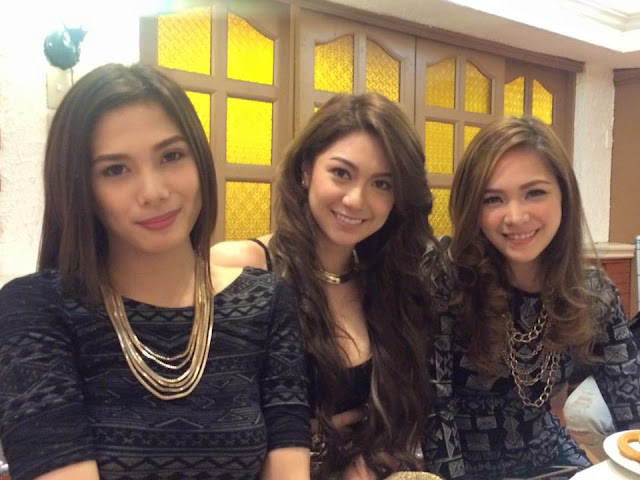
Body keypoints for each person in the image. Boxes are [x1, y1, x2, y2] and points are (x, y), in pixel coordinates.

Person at [0, 63, 310, 480]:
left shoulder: (267, 302)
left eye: (171, 156)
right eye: (115, 170)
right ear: (81, 188)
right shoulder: (37, 308)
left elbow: (289, 470)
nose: (154, 191)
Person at [212, 93, 462, 479]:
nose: (356, 199)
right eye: (341, 173)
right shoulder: (240, 267)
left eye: (382, 184)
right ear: (306, 170)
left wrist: (372, 457)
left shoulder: (386, 285)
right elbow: (211, 425)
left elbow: (397, 423)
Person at [430, 115, 640, 479]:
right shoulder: (447, 284)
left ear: (564, 196)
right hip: (463, 469)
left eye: (535, 193)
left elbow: (632, 408)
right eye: (493, 199)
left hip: (552, 458)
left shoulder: (593, 294)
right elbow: (435, 413)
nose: (515, 217)